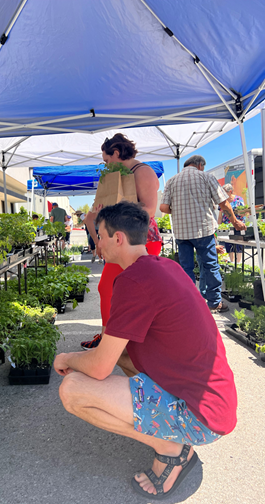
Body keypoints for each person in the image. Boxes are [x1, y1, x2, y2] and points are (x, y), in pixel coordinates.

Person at [55, 202, 237, 500]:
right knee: (123, 355)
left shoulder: (132, 280)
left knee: (73, 389)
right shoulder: (165, 265)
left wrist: (67, 358)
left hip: (202, 417)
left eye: (98, 236)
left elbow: (100, 366)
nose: (95, 244)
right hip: (215, 400)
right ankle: (171, 434)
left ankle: (171, 450)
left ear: (118, 239)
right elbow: (115, 352)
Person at [81, 133, 162, 349]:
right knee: (108, 287)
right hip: (120, 242)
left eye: (107, 160)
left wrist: (116, 208)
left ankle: (119, 341)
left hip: (142, 241)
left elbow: (150, 210)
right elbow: (90, 217)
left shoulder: (142, 171)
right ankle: (111, 338)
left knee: (120, 289)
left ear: (116, 153)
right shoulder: (117, 177)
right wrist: (99, 238)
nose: (106, 166)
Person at [160, 155, 246, 313]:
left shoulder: (172, 180)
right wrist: (234, 221)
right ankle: (214, 302)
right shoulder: (206, 177)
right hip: (203, 231)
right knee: (210, 265)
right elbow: (223, 202)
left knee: (186, 268)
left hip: (182, 232)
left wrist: (179, 210)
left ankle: (190, 302)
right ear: (200, 165)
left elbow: (164, 208)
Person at [217, 183, 245, 264]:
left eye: (224, 192)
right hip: (227, 226)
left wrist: (240, 213)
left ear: (230, 191)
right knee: (228, 243)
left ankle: (239, 262)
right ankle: (232, 261)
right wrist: (219, 226)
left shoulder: (239, 200)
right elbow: (220, 216)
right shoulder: (222, 201)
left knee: (239, 243)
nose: (222, 194)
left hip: (237, 225)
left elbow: (243, 212)